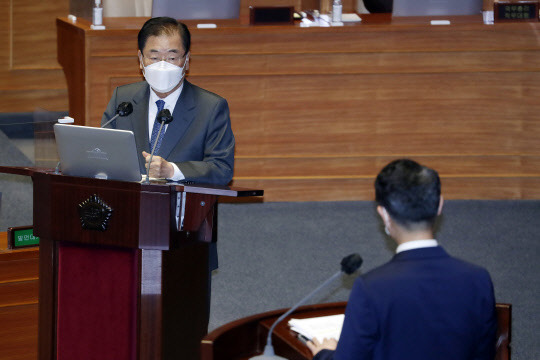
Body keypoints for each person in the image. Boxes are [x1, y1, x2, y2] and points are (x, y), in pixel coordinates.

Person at [308, 159, 497, 360]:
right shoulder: (478, 279)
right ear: (440, 205)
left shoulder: (371, 288)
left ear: (384, 215)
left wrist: (324, 354)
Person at [101, 16, 235, 186]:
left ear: (186, 61)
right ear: (141, 60)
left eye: (172, 58)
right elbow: (104, 152)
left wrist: (172, 170)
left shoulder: (211, 107)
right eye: (154, 58)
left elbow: (222, 169)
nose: (163, 66)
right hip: (128, 201)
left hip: (181, 206)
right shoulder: (123, 99)